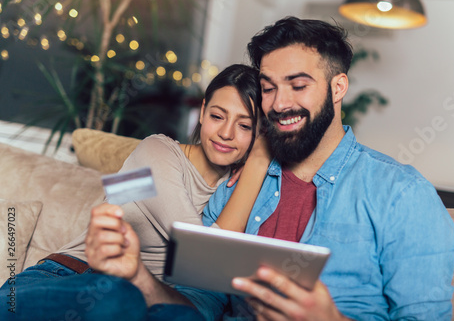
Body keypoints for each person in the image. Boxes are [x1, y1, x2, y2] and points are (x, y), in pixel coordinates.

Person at [173, 17, 454, 320]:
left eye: (298, 86)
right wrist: (140, 277)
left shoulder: (402, 193)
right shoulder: (240, 183)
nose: (280, 103)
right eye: (268, 88)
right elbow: (199, 296)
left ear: (338, 88)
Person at [0, 64, 270, 321]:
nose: (226, 133)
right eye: (217, 116)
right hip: (69, 275)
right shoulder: (156, 152)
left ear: (260, 133)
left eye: (244, 126)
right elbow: (202, 255)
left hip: (149, 300)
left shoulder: (236, 191)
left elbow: (209, 290)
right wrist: (257, 162)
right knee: (118, 296)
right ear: (202, 112)